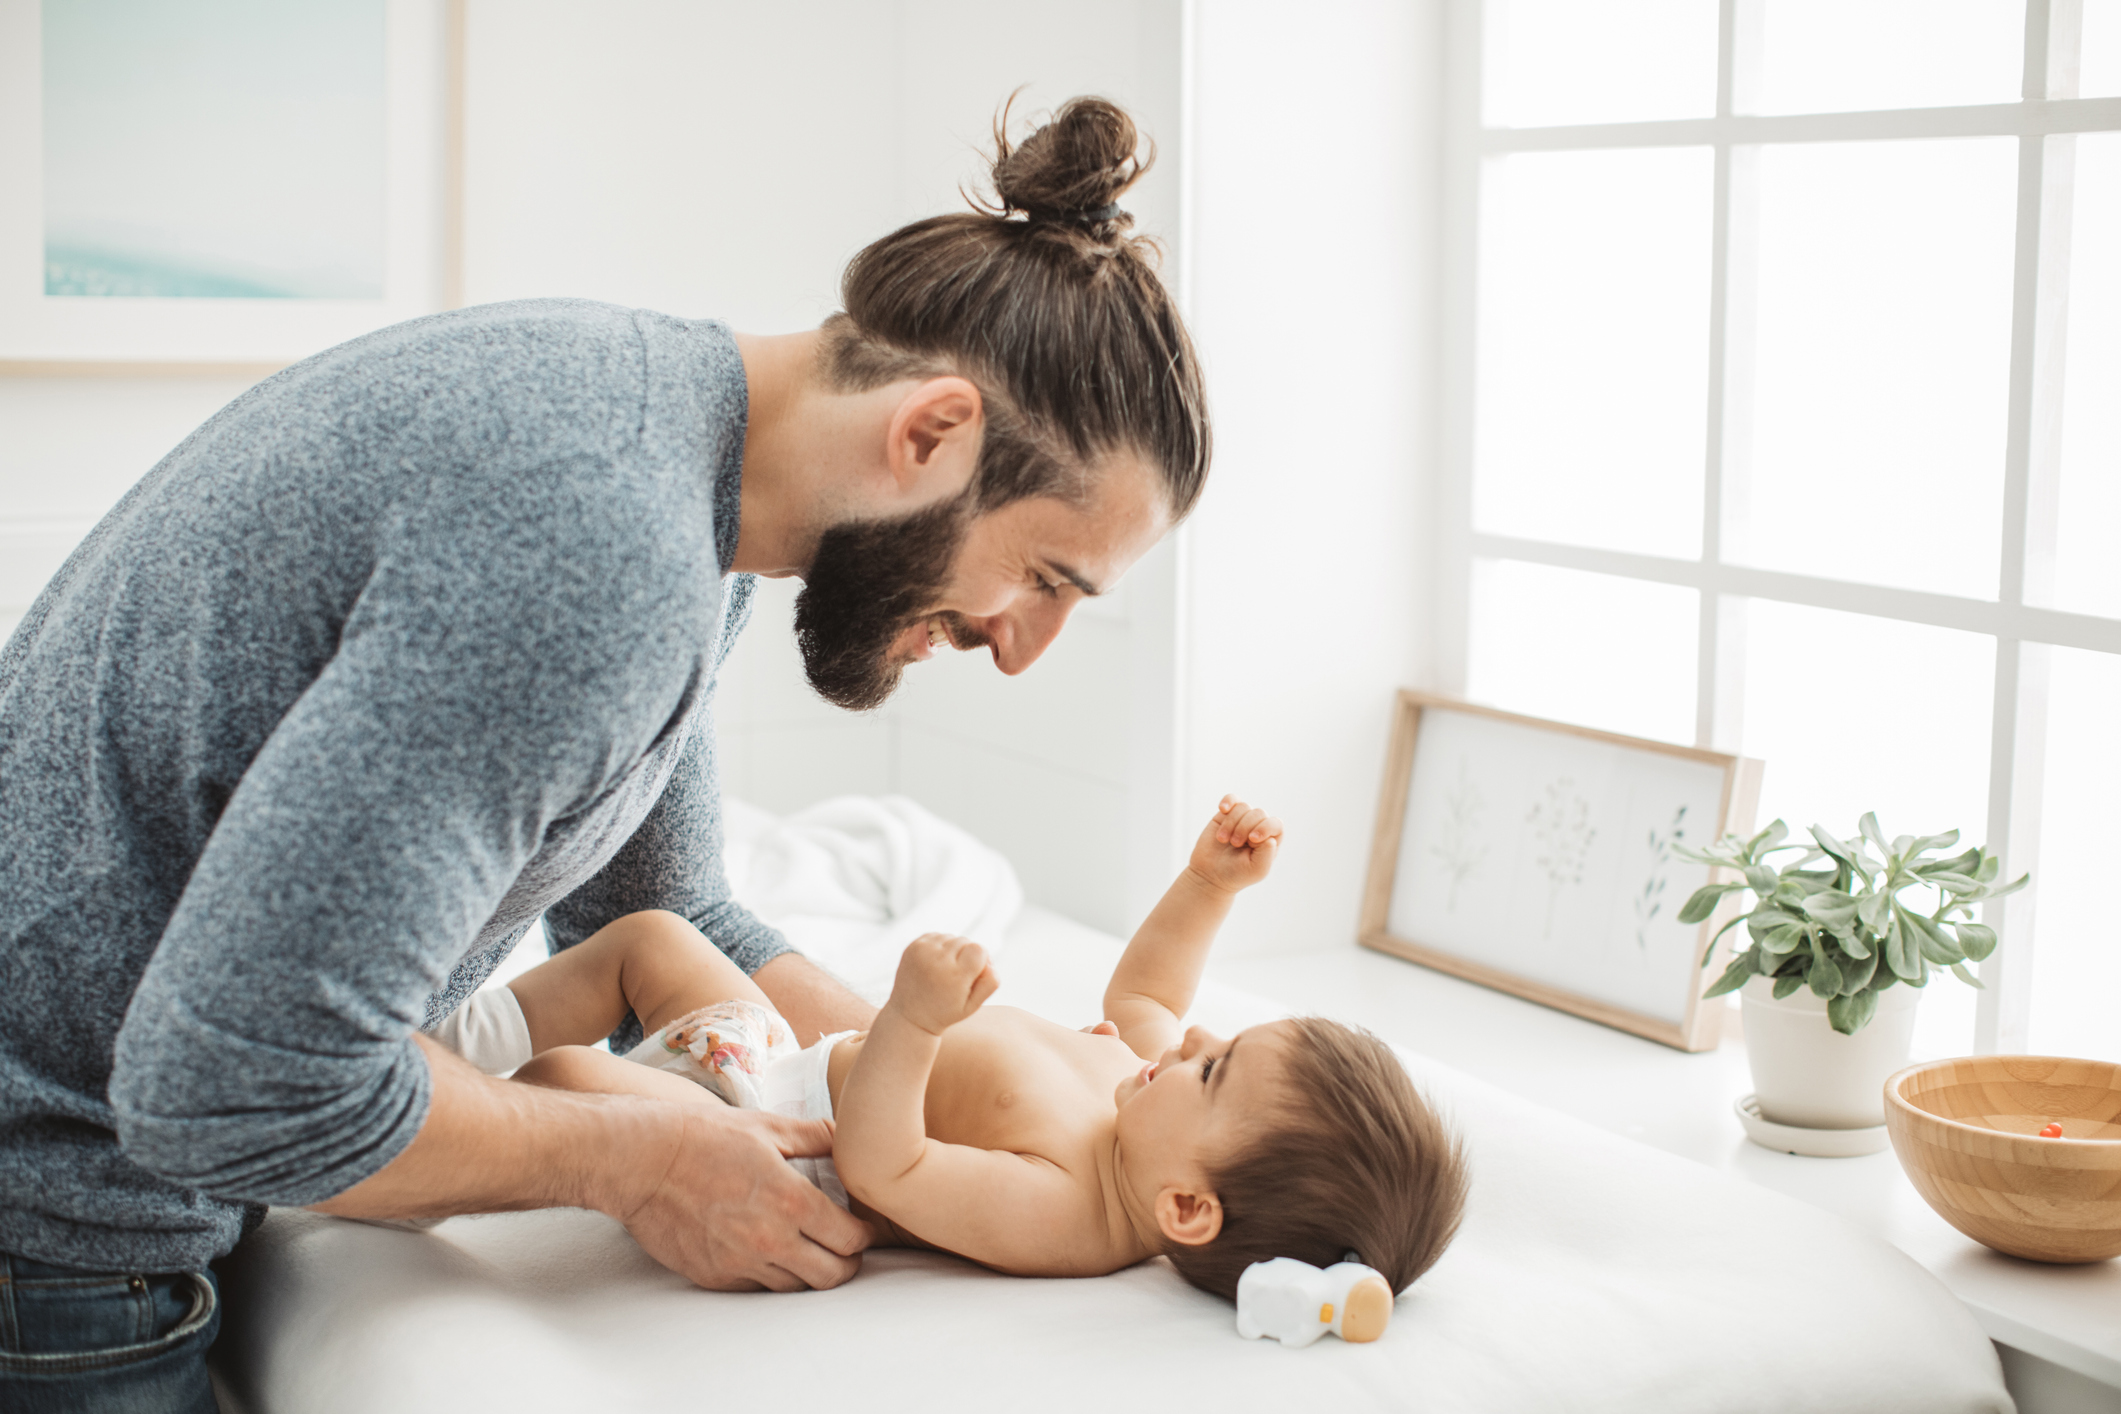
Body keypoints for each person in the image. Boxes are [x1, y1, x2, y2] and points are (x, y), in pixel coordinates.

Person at [0, 95, 1207, 1411]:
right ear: (931, 432)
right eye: (1043, 576)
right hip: (52, 1218)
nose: (1021, 647)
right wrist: (632, 1160)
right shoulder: (595, 550)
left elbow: (657, 905)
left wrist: (945, 1073)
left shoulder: (683, 460)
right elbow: (231, 1093)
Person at [476, 797, 1470, 1294]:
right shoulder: (1142, 1087)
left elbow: (886, 1162)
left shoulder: (1073, 1209)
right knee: (653, 939)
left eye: (1215, 1067)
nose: (1198, 1036)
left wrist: (908, 1020)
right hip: (774, 1061)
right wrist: (1209, 887)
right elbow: (1148, 989)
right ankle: (447, 1040)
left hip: (757, 1147)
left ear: (1186, 1206)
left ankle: (423, 1126)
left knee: (569, 1078)